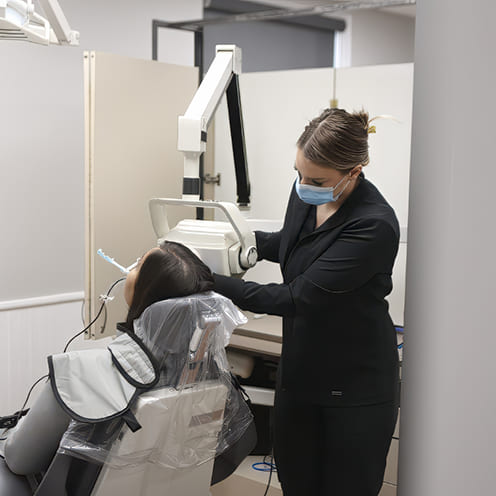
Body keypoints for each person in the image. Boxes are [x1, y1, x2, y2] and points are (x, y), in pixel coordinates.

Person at [212, 108, 400, 496]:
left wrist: (208, 280)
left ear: (355, 170)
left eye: (316, 179)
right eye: (298, 173)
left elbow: (297, 298)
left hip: (353, 389)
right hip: (300, 376)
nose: (303, 184)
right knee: (296, 484)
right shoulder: (307, 192)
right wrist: (236, 244)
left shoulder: (373, 224)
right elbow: (291, 242)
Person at [1, 241, 252, 488]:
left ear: (146, 291)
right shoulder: (211, 376)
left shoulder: (83, 373)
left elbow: (19, 459)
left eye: (139, 265)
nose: (130, 268)